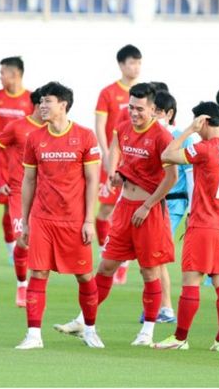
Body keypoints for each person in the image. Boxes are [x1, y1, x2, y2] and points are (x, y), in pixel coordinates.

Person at [55, 83, 177, 346]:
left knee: (149, 272)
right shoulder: (123, 128)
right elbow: (116, 150)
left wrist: (147, 205)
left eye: (140, 109)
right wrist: (118, 173)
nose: (133, 113)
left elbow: (172, 177)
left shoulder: (162, 137)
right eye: (131, 107)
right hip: (124, 210)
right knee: (106, 266)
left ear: (154, 110)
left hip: (149, 212)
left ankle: (147, 332)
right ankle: (83, 320)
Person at [14, 81, 103, 350]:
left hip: (74, 220)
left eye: (47, 101)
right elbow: (29, 181)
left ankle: (89, 330)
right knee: (38, 273)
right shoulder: (34, 138)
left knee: (85, 276)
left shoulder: (86, 136)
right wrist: (25, 220)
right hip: (43, 219)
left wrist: (89, 220)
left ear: (63, 104)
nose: (41, 106)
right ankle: (33, 335)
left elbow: (92, 180)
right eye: (40, 101)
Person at [153, 102, 219, 352]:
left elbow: (167, 155)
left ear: (203, 121)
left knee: (191, 282)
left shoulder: (204, 149)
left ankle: (180, 338)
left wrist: (186, 132)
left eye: (198, 124)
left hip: (204, 225)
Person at [137, 90, 193, 324]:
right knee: (148, 259)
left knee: (155, 257)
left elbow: (190, 177)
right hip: (151, 204)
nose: (154, 115)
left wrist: (192, 209)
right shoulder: (149, 136)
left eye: (158, 112)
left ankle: (166, 308)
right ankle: (157, 306)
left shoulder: (181, 138)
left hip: (174, 204)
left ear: (169, 114)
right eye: (153, 111)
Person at [0, 88, 45, 307]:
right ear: (37, 104)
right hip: (18, 192)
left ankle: (35, 286)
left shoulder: (55, 130)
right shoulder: (18, 127)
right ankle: (22, 285)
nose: (48, 107)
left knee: (40, 242)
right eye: (45, 102)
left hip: (46, 195)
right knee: (23, 239)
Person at [94, 44, 142, 285]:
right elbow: (100, 125)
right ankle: (108, 253)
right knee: (104, 211)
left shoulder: (145, 93)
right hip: (115, 160)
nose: (135, 67)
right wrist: (105, 153)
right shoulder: (108, 92)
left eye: (138, 62)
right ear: (121, 65)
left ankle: (123, 264)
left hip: (136, 162)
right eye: (131, 62)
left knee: (131, 211)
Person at [0, 57, 33, 266]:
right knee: (7, 209)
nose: (0, 76)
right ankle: (12, 251)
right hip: (2, 161)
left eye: (2, 72)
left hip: (22, 163)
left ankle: (25, 248)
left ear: (15, 74)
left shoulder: (31, 99)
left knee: (27, 207)